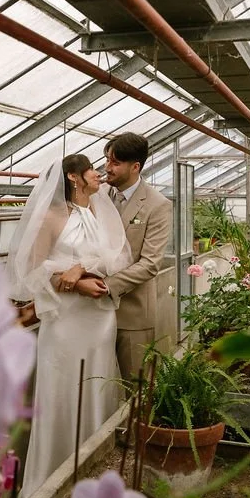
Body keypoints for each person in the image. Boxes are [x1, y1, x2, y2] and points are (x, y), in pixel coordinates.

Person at [7, 154, 131, 498]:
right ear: (74, 178)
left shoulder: (100, 212)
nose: (100, 174)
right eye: (93, 169)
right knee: (63, 385)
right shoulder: (49, 217)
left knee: (97, 382)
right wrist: (73, 280)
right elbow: (29, 270)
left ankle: (94, 470)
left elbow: (117, 258)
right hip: (65, 317)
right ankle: (53, 475)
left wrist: (82, 268)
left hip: (100, 316)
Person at [102, 133, 173, 384]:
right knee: (96, 387)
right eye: (107, 160)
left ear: (135, 167)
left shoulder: (157, 205)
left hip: (132, 315)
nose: (107, 168)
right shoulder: (97, 195)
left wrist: (106, 286)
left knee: (138, 390)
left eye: (115, 163)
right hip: (92, 312)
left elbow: (150, 264)